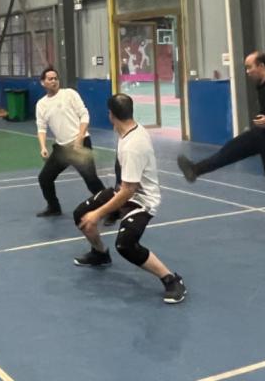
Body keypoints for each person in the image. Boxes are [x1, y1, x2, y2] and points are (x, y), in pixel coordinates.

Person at [72, 93, 187, 304]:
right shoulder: (125, 130)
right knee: (80, 214)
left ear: (111, 115)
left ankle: (171, 279)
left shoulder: (134, 145)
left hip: (142, 199)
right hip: (124, 190)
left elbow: (129, 191)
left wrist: (98, 214)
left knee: (125, 244)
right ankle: (100, 254)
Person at [176, 51, 265, 237]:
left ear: (261, 66)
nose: (247, 71)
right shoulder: (261, 84)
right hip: (261, 134)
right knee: (229, 151)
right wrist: (264, 122)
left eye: (250, 67)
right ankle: (194, 170)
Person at [34, 66, 105, 217]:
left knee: (91, 181)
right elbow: (41, 127)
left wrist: (79, 138)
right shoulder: (41, 104)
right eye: (50, 79)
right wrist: (43, 147)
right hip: (62, 148)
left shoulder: (69, 94)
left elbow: (84, 115)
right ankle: (54, 207)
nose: (54, 81)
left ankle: (112, 209)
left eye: (56, 78)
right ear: (43, 82)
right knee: (45, 178)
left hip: (80, 143)